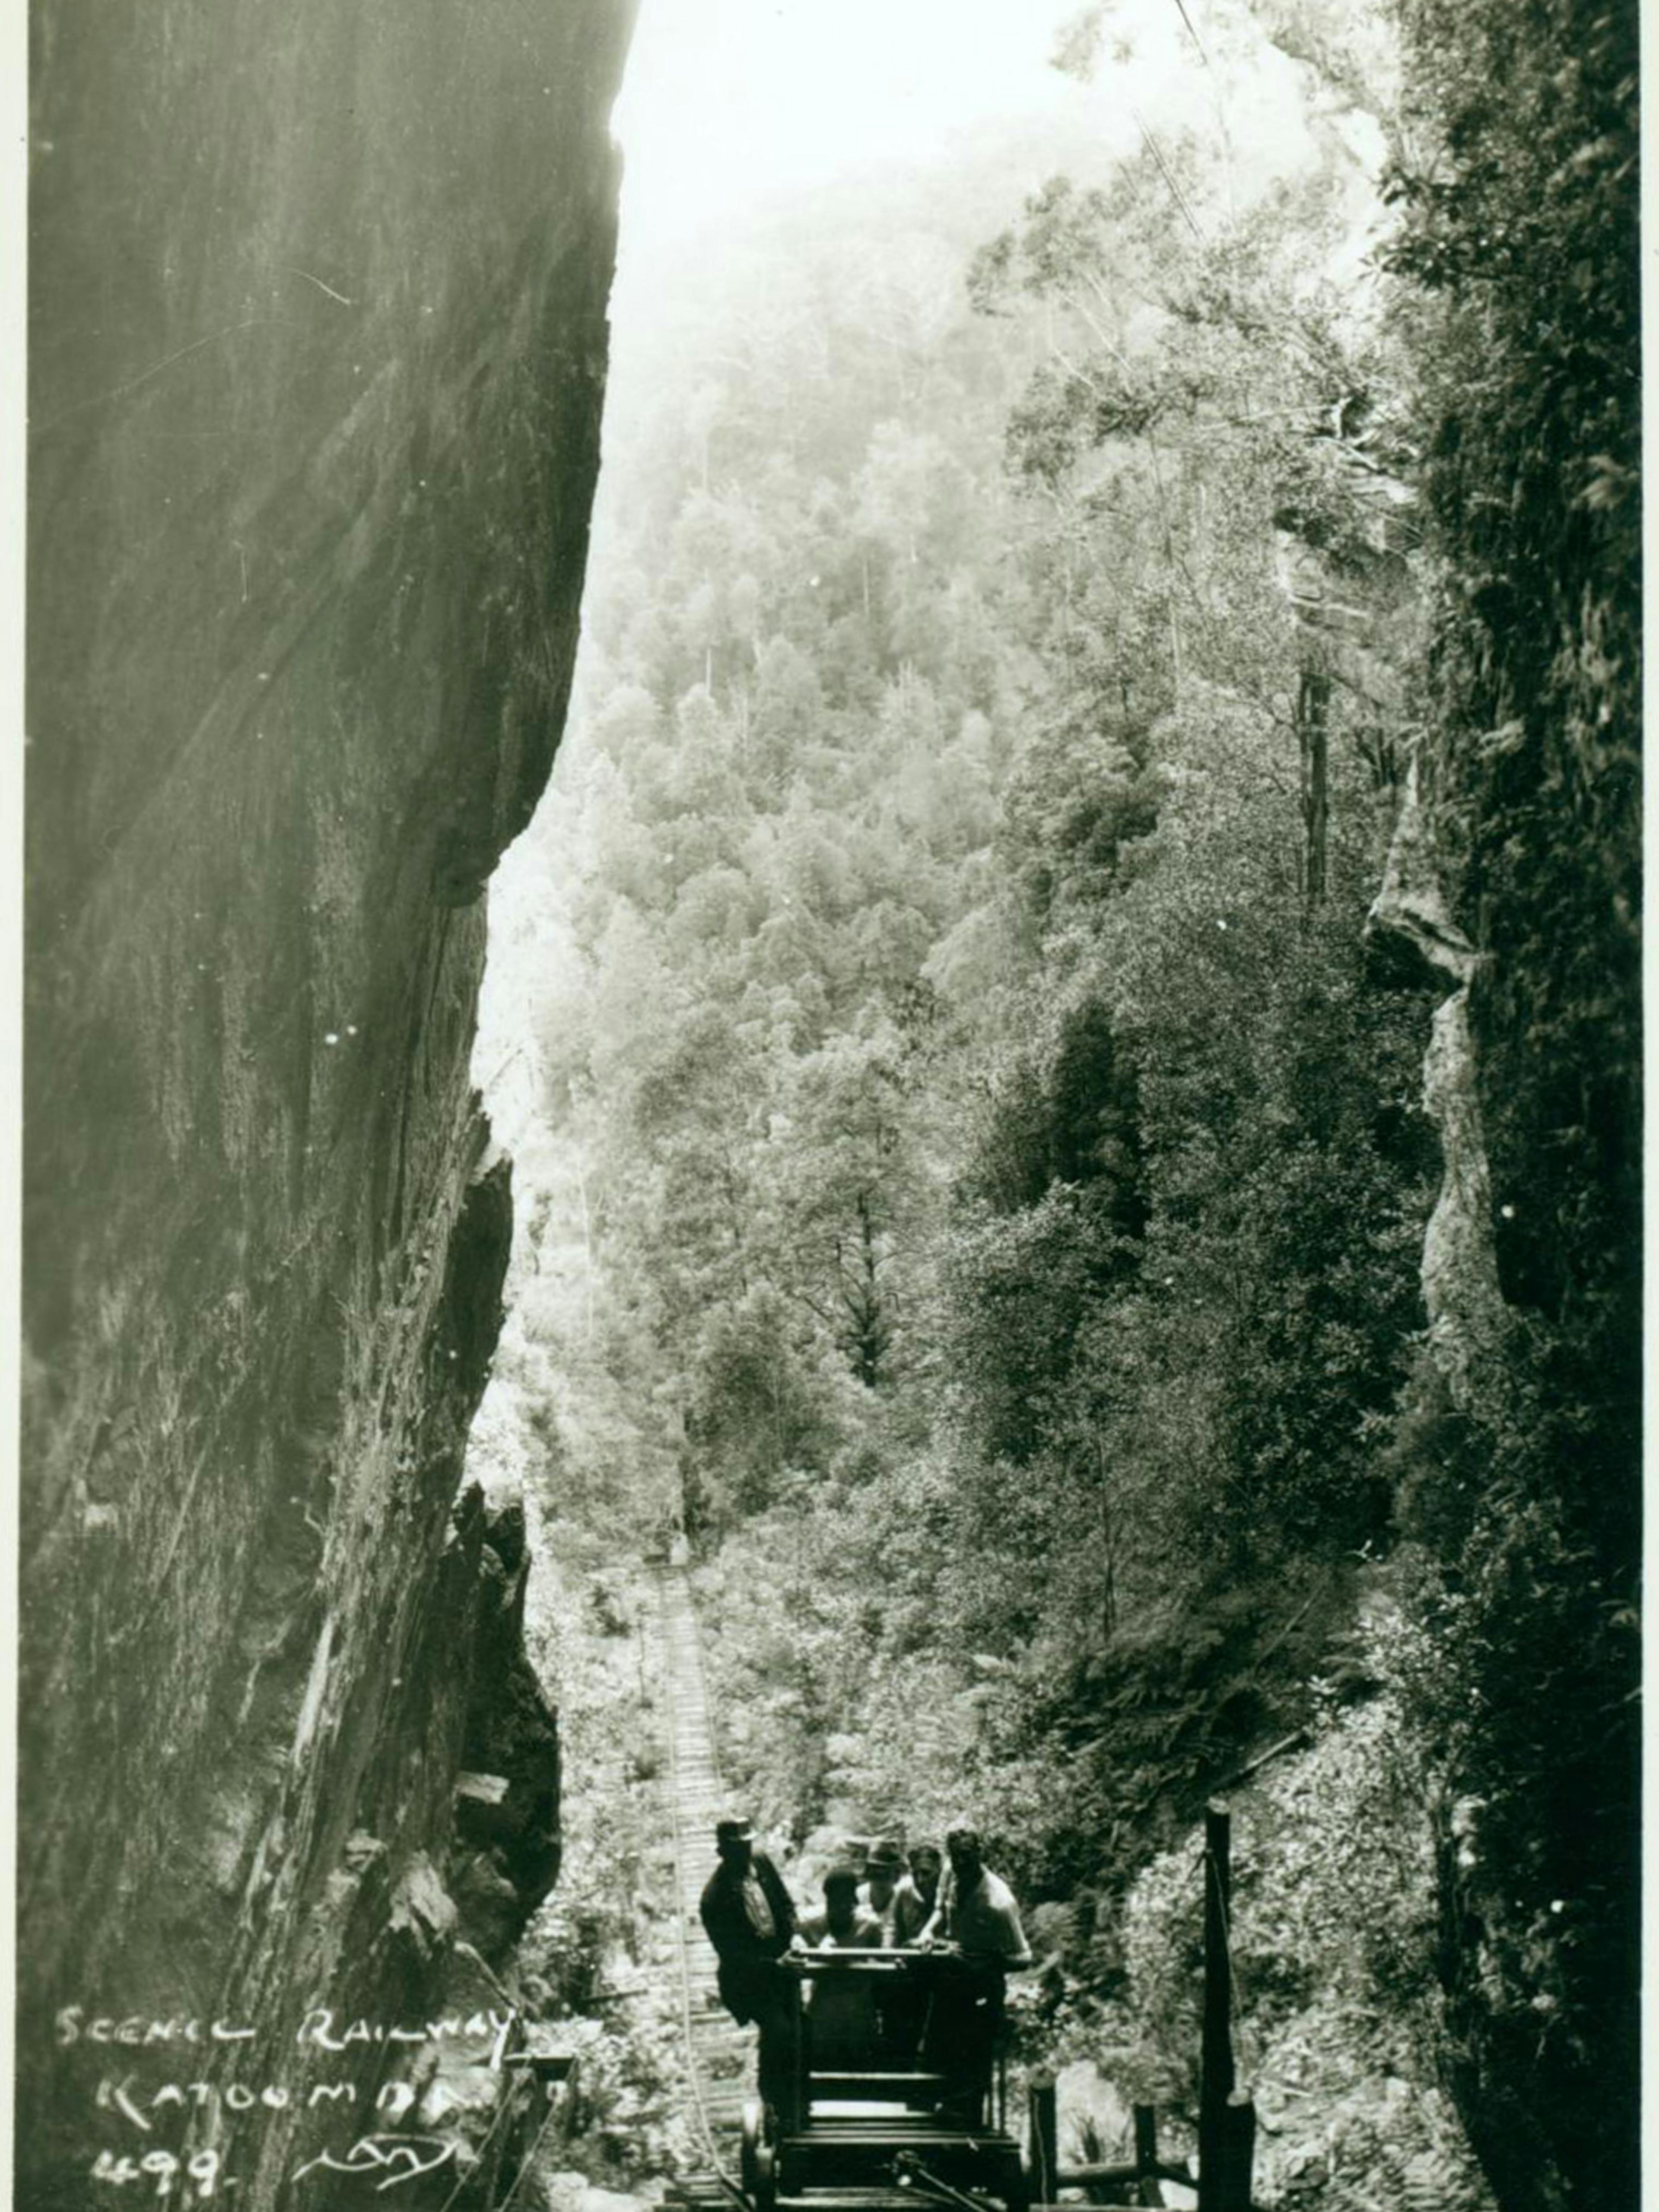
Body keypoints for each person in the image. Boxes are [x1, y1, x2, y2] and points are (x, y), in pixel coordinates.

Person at [917, 1822, 1031, 2116]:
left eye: (969, 1857)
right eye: (957, 1857)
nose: (962, 1864)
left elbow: (1024, 1957)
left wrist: (983, 1961)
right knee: (937, 2049)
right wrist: (929, 1932)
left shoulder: (999, 1902)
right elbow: (942, 1909)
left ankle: (966, 2125)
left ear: (980, 1854)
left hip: (983, 1987)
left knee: (972, 2060)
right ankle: (929, 2113)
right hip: (952, 1980)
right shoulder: (950, 1872)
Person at [699, 1815, 802, 2126]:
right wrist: (775, 1965)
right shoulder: (714, 1898)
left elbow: (785, 1904)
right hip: (749, 1981)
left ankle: (795, 2098)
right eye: (736, 1849)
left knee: (800, 2026)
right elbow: (734, 1956)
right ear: (723, 1852)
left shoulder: (762, 1863)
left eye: (746, 1846)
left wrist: (795, 1934)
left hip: (784, 1966)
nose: (743, 1853)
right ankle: (772, 2101)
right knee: (779, 2030)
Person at [798, 1865, 884, 2068]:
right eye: (835, 1902)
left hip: (858, 2007)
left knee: (859, 2061)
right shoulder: (810, 1924)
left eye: (845, 1901)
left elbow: (879, 1960)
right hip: (824, 2006)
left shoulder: (869, 1925)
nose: (840, 1908)